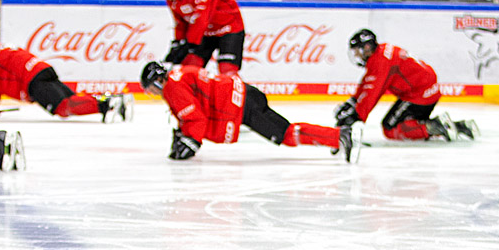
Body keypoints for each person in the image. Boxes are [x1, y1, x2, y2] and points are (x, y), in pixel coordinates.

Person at [140, 61, 360, 162]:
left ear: (157, 81)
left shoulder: (172, 86)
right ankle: (335, 138)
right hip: (244, 98)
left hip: (243, 107)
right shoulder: (178, 74)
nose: (153, 92)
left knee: (286, 134)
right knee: (286, 132)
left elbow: (194, 116)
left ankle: (340, 136)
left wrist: (191, 140)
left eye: (151, 88)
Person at [335, 28, 479, 141]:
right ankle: (459, 127)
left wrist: (356, 116)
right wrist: (354, 100)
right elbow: (369, 80)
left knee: (390, 128)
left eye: (357, 52)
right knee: (405, 122)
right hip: (423, 90)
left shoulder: (381, 63)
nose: (357, 56)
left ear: (366, 48)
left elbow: (374, 92)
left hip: (420, 94)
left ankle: (434, 127)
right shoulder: (381, 54)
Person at [0, 40, 132, 122]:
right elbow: (0, 76)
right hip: (41, 69)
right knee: (73, 100)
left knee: (64, 108)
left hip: (31, 80)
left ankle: (108, 103)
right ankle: (108, 99)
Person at [155, 0, 245, 75]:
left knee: (227, 70)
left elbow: (201, 21)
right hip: (206, 32)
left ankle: (237, 92)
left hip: (228, 28)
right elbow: (180, 23)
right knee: (189, 68)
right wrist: (177, 43)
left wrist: (188, 45)